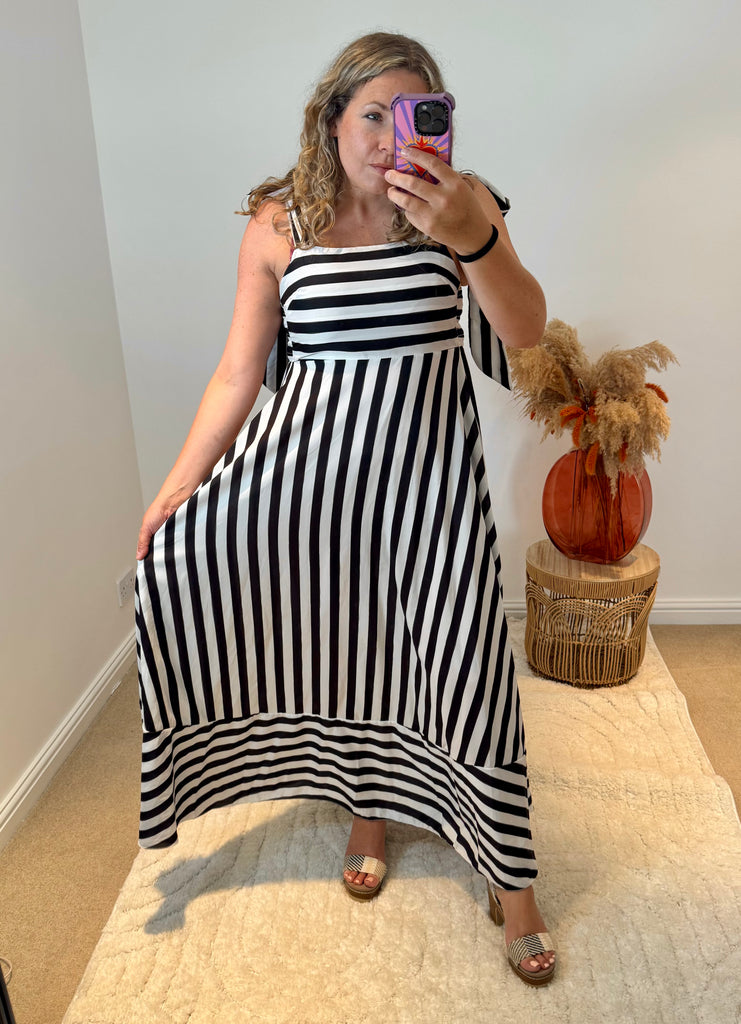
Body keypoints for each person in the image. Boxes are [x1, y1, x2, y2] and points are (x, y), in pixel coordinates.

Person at [135, 31, 555, 985]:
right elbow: (238, 371)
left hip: (434, 499)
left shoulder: (462, 205)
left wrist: (470, 235)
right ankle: (369, 809)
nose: (387, 138)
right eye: (371, 115)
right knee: (351, 655)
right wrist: (179, 485)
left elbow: (526, 335)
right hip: (313, 496)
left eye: (410, 116)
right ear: (331, 121)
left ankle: (514, 882)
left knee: (470, 676)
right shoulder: (280, 222)